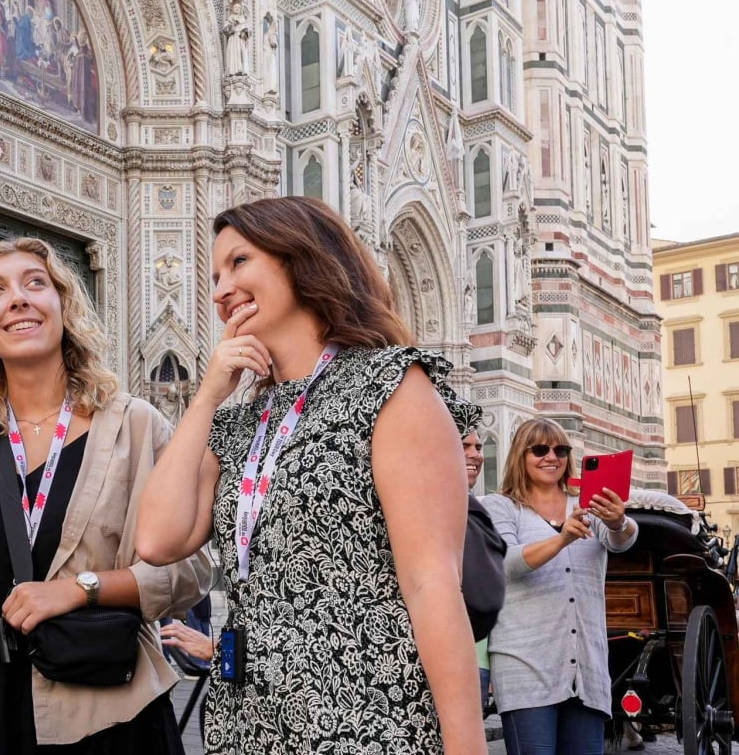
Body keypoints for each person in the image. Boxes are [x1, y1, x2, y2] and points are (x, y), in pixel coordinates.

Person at [136, 196, 485, 754]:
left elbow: (432, 584)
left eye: (240, 263)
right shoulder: (240, 422)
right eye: (217, 273)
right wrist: (207, 396)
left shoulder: (389, 385)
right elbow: (156, 539)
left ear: (301, 259)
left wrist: (466, 746)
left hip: (367, 717)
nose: (221, 289)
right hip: (250, 724)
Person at [0, 237, 210, 753]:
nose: (17, 298)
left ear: (64, 308)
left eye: (36, 283)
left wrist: (83, 587)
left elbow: (191, 571)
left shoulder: (134, 428)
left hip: (109, 719)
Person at [481, 419, 635, 754]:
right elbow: (506, 562)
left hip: (587, 669)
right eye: (540, 449)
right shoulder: (500, 507)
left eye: (560, 450)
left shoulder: (588, 505)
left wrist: (617, 520)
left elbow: (623, 540)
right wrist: (563, 538)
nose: (552, 457)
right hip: (526, 668)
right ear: (520, 456)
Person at [463, 429, 492, 712]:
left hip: (478, 660)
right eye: (465, 446)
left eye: (479, 447)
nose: (476, 455)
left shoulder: (480, 511)